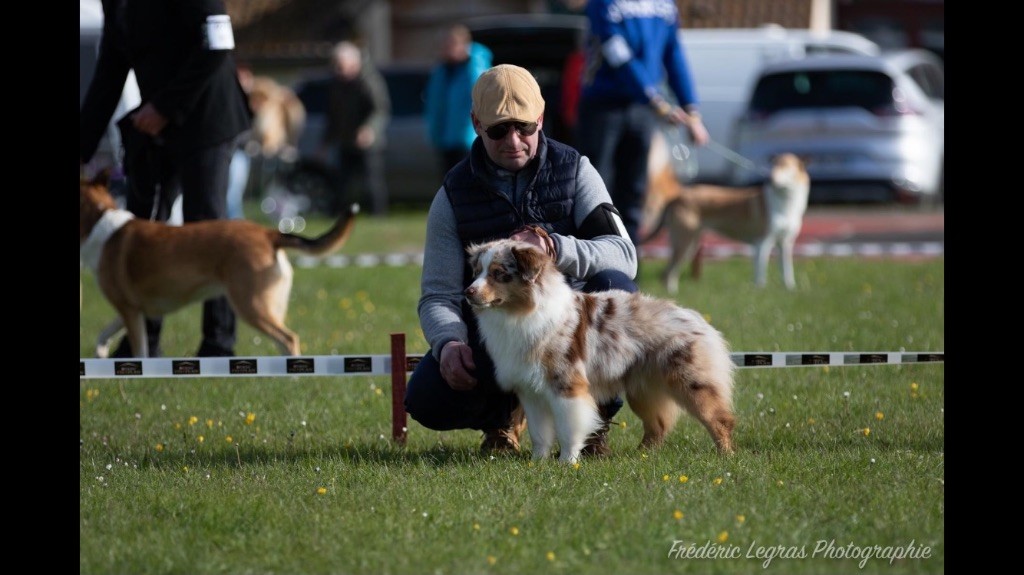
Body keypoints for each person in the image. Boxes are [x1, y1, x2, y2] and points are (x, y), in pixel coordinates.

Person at [403, 64, 639, 457]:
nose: (513, 140)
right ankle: (501, 420)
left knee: (619, 288)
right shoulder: (452, 194)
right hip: (494, 333)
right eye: (498, 130)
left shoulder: (576, 169)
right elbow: (437, 296)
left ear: (541, 119)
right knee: (427, 397)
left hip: (567, 331)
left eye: (525, 128)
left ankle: (593, 422)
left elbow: (624, 255)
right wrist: (447, 343)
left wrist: (556, 248)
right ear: (476, 123)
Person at [79, 0, 253, 358]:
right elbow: (108, 77)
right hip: (157, 126)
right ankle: (144, 341)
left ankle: (218, 342)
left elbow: (218, 46)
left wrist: (164, 107)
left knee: (206, 222)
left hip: (208, 117)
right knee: (143, 228)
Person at [575, 0, 710, 247]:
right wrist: (655, 99)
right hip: (604, 106)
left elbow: (674, 53)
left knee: (634, 194)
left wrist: (692, 109)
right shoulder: (604, 3)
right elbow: (617, 52)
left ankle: (628, 270)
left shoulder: (665, 5)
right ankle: (593, 269)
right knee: (596, 191)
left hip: (642, 110)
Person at [317, 40, 391, 216]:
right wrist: (325, 143)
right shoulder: (337, 84)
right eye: (336, 66)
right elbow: (332, 116)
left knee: (372, 183)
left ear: (354, 63)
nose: (338, 71)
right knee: (341, 182)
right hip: (345, 141)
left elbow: (380, 109)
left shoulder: (370, 80)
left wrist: (369, 129)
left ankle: (378, 216)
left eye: (341, 66)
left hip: (369, 142)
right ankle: (337, 216)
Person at [424, 24, 493, 175]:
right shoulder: (441, 71)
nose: (446, 49)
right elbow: (435, 103)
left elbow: (479, 94)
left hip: (468, 139)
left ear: (464, 45)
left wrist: (472, 61)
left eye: (450, 44)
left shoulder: (475, 67)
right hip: (445, 138)